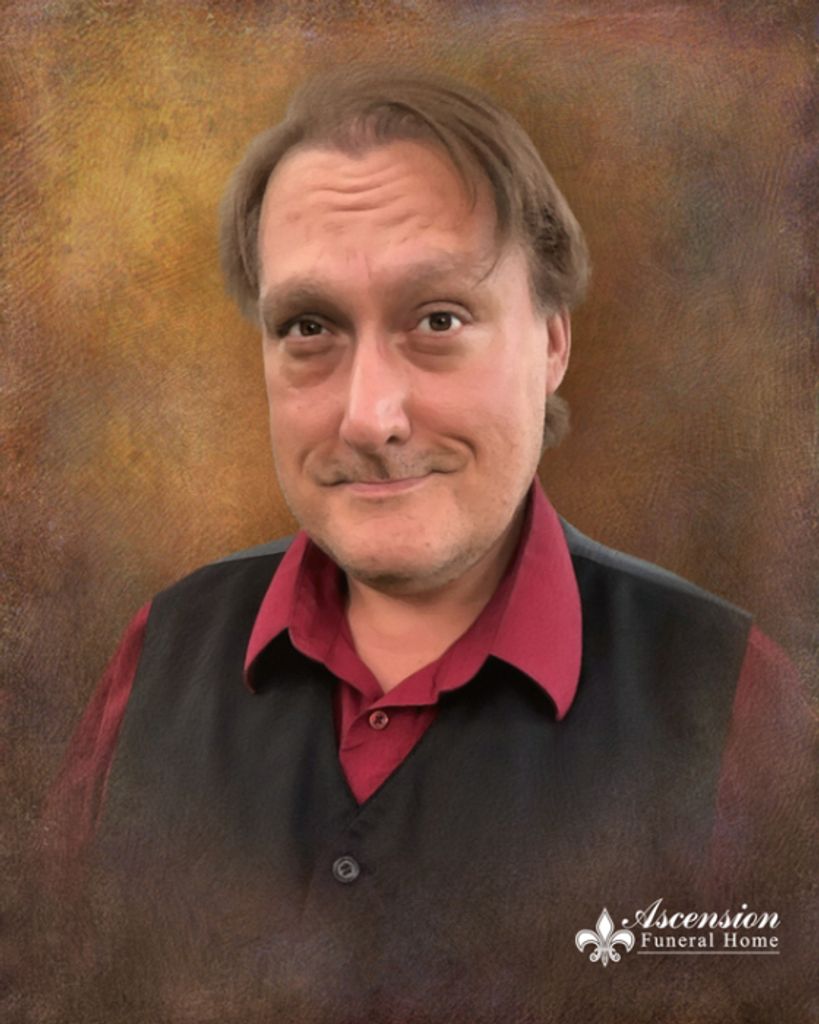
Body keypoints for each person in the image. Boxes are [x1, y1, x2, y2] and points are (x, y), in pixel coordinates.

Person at [45, 67, 813, 1023]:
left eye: (439, 319)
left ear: (552, 343)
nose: (369, 417)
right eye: (309, 327)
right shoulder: (158, 654)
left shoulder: (727, 698)